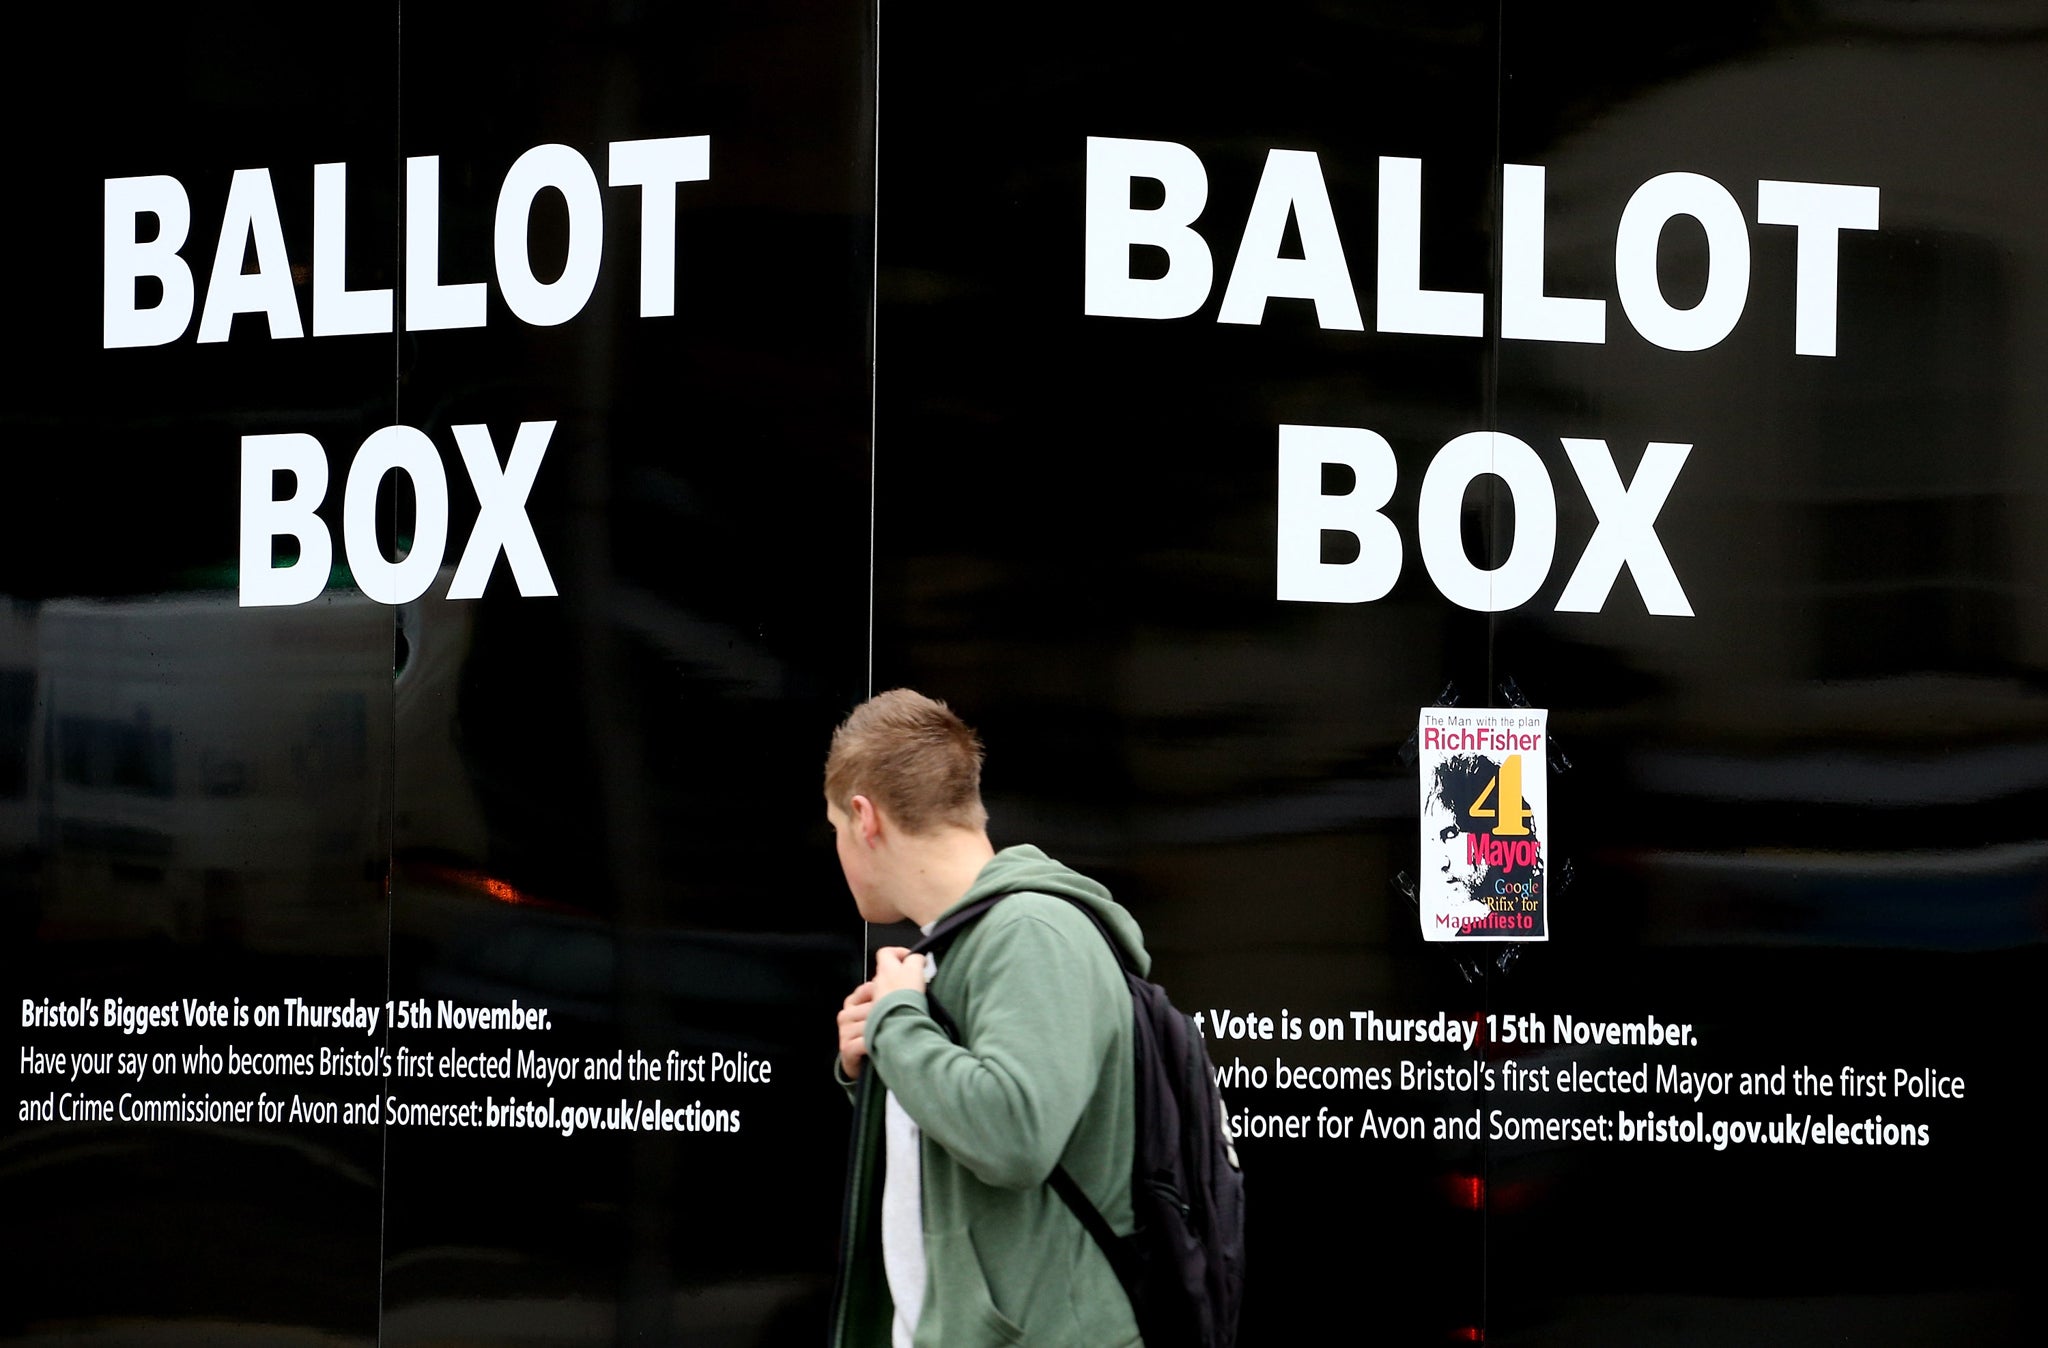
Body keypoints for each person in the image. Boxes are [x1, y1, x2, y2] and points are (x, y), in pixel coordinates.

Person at [826, 689, 1146, 1348]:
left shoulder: (1031, 930)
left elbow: (1015, 1134)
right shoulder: (956, 945)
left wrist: (899, 1024)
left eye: (834, 830)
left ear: (865, 818)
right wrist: (880, 1054)